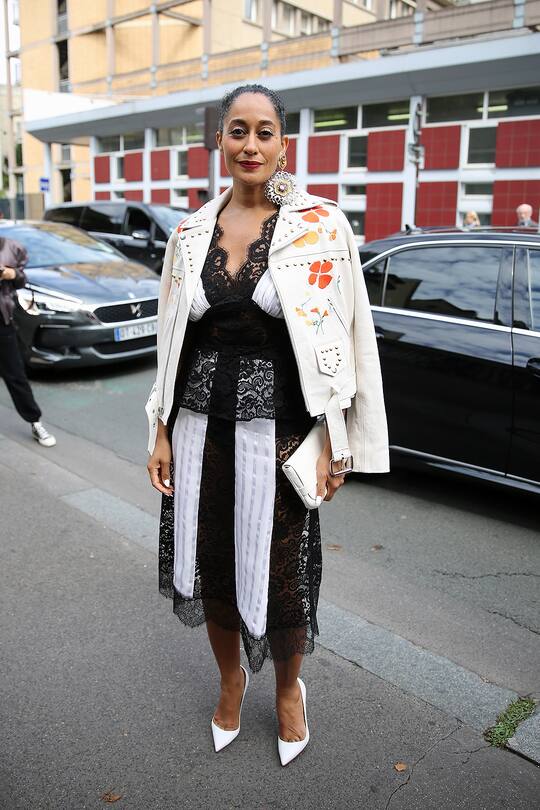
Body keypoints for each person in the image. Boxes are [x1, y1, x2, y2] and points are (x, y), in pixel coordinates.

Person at [146, 84, 389, 766]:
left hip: (282, 436)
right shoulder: (190, 233)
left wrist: (339, 444)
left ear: (284, 143)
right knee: (208, 566)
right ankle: (231, 679)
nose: (249, 145)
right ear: (219, 141)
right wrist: (159, 430)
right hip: (197, 433)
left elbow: (351, 339)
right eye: (236, 131)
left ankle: (288, 690)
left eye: (263, 132)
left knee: (284, 577)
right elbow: (172, 345)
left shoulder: (321, 226)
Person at [0, 235, 56, 447]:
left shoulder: (11, 247)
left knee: (16, 376)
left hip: (2, 320)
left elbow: (21, 279)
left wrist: (11, 273)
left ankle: (35, 421)